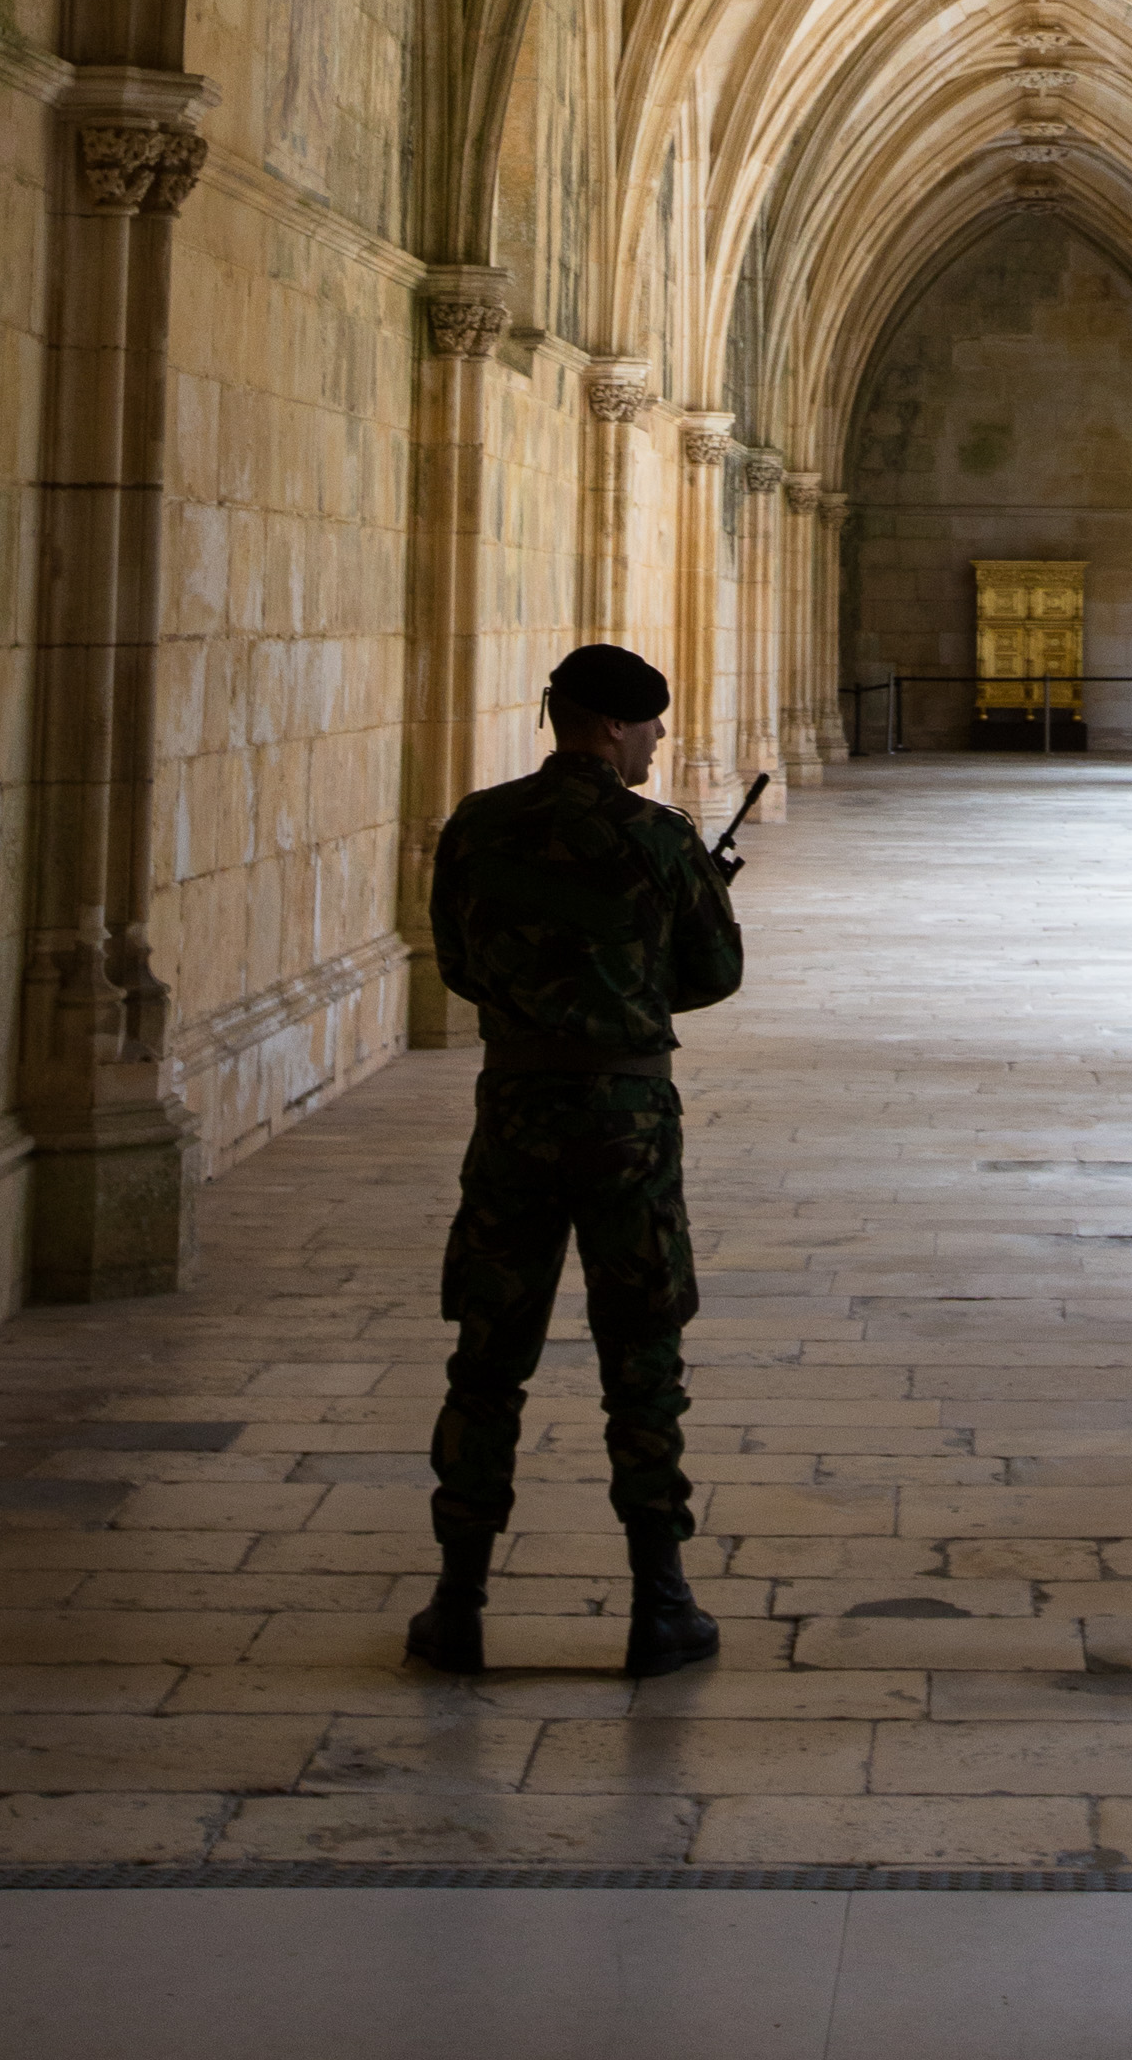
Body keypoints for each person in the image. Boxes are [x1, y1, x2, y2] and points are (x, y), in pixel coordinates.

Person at [407, 642, 744, 1682]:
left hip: (513, 1110)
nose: (651, 745)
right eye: (647, 727)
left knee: (487, 1357)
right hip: (627, 1117)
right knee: (640, 1358)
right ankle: (661, 1604)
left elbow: (458, 961)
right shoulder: (657, 838)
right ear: (609, 726)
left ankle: (456, 1604)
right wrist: (629, 978)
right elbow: (714, 974)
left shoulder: (478, 823)